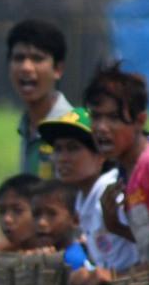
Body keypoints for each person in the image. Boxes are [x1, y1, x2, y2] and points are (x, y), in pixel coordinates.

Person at [77, 64, 149, 285]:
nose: (102, 128)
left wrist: (119, 277)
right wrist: (114, 226)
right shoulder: (128, 175)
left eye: (114, 118)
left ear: (140, 121)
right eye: (96, 117)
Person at [38, 107, 137, 271]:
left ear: (101, 155)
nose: (62, 158)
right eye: (58, 149)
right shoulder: (83, 198)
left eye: (73, 148)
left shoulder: (114, 194)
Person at [8, 19, 72, 178]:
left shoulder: (71, 128)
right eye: (19, 58)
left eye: (37, 58)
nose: (26, 67)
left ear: (58, 69)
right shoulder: (27, 127)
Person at [30, 179, 93, 270]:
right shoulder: (41, 257)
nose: (41, 223)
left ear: (75, 220)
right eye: (36, 214)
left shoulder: (71, 260)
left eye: (51, 214)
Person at [0, 173, 42, 251]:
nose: (7, 219)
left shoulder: (59, 256)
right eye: (2, 211)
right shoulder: (0, 254)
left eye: (17, 211)